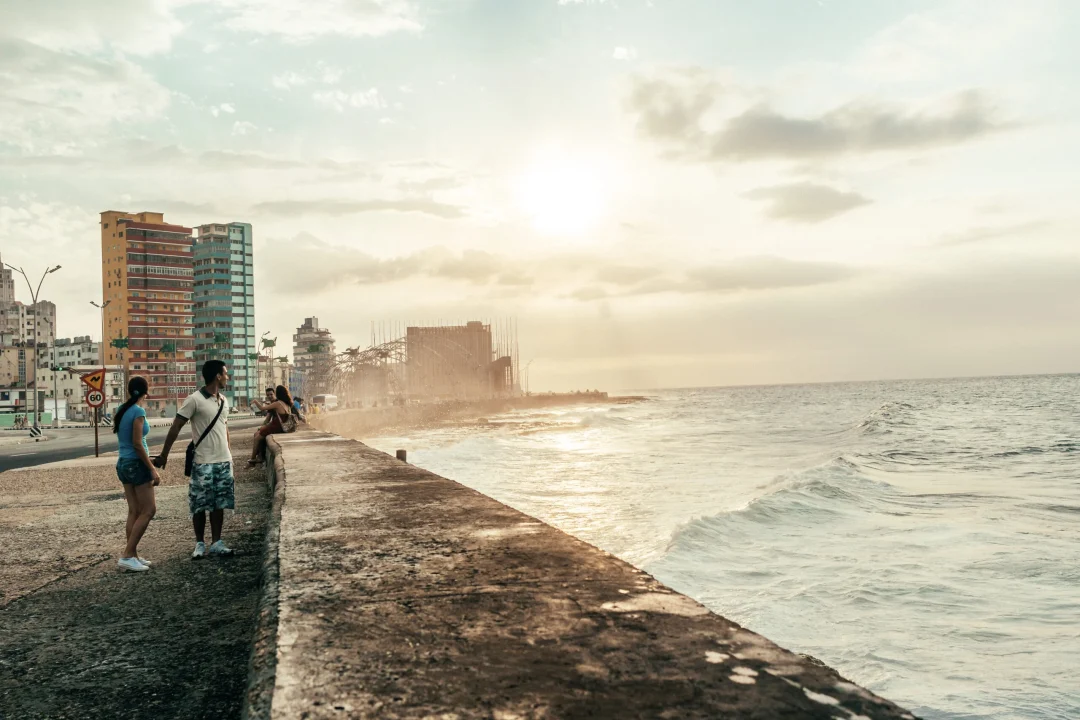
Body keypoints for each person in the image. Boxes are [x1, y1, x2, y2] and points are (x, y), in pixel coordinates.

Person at [154, 360, 234, 560]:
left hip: (223, 461)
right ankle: (199, 543)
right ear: (217, 375)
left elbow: (224, 428)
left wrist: (229, 454)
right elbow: (176, 427)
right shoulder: (194, 399)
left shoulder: (223, 400)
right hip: (203, 461)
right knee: (199, 504)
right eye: (225, 373)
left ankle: (216, 542)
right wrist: (165, 454)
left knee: (219, 503)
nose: (227, 376)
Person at [113, 376, 159, 572]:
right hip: (137, 464)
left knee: (134, 511)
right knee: (149, 510)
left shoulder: (122, 410)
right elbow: (138, 444)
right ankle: (127, 554)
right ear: (146, 390)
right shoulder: (138, 411)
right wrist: (152, 468)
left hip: (123, 463)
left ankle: (132, 555)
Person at [249, 385, 294, 466]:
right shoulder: (286, 403)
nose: (270, 396)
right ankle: (258, 457)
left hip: (276, 427)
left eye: (272, 394)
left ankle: (252, 459)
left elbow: (262, 408)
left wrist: (255, 401)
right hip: (281, 426)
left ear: (277, 394)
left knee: (257, 437)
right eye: (268, 395)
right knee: (259, 434)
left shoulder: (277, 403)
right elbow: (268, 418)